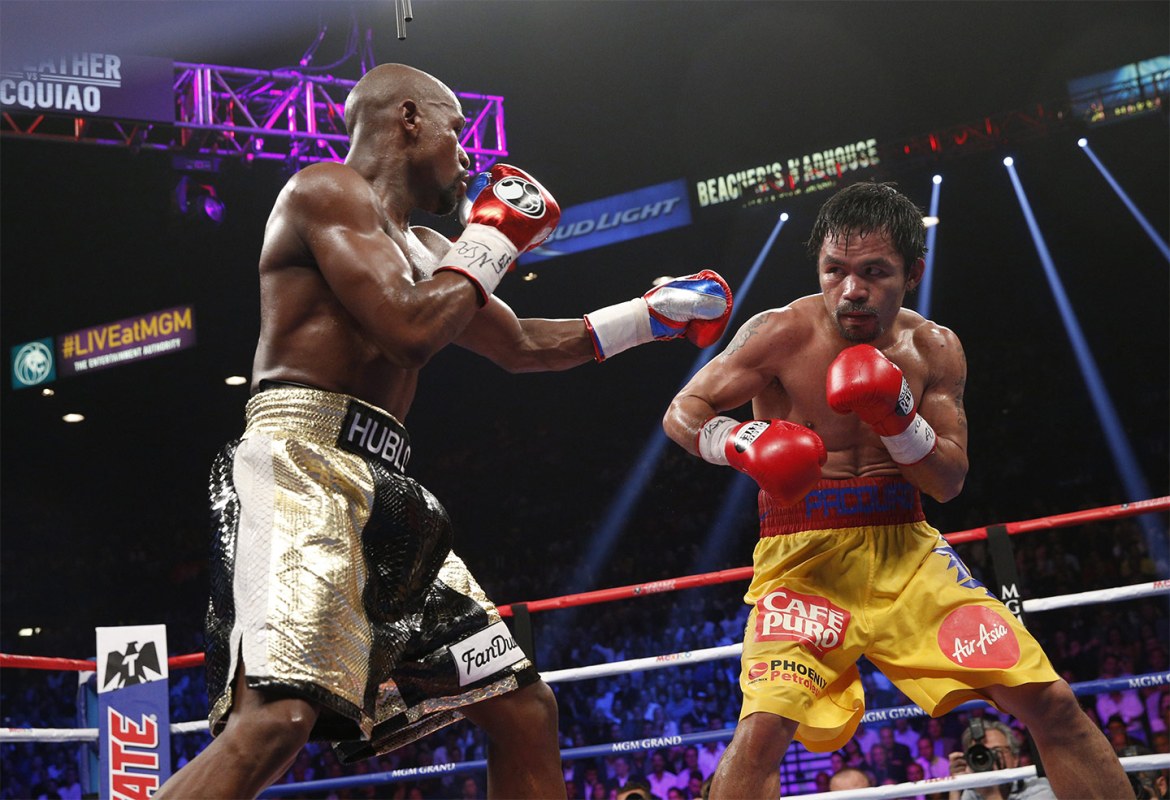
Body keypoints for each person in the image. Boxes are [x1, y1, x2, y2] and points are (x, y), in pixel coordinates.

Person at [157, 63, 732, 799]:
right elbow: (407, 332)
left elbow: (522, 346)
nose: (467, 154)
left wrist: (651, 316)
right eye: (456, 131)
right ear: (407, 119)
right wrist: (492, 239)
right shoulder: (324, 190)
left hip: (388, 494)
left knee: (522, 707)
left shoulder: (429, 247)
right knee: (275, 722)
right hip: (301, 468)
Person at [661, 181, 1132, 799]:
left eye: (874, 272)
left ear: (913, 273)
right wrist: (742, 441)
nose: (850, 289)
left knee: (1053, 703)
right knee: (761, 734)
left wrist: (898, 419)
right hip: (803, 561)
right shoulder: (780, 332)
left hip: (907, 553)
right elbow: (684, 411)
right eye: (834, 270)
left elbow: (948, 481)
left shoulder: (934, 347)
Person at [947, 719, 1055, 800]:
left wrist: (991, 794)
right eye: (981, 754)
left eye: (996, 750)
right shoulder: (973, 793)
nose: (989, 759)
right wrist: (955, 786)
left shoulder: (1038, 787)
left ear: (1015, 758)